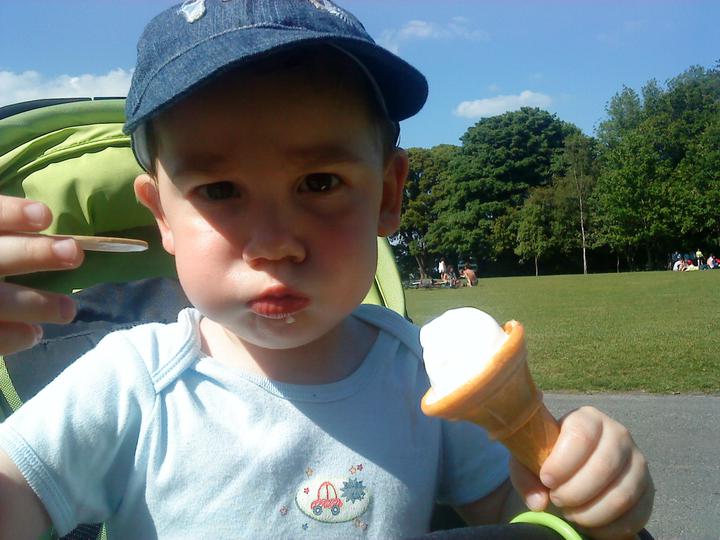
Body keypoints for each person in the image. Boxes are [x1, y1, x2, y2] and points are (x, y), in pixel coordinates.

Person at [0, 1, 653, 538]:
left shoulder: (423, 377)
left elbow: (519, 516)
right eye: (220, 191)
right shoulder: (129, 382)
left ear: (388, 196)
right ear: (161, 217)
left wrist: (587, 487)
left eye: (319, 182)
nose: (276, 245)